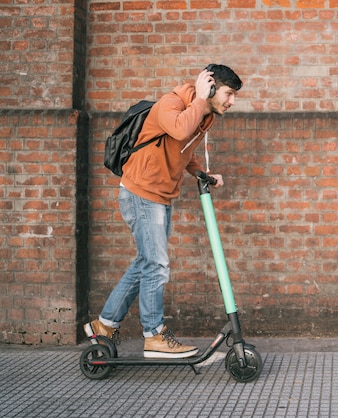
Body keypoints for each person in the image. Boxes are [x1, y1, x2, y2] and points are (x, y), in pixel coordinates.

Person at [84, 64, 243, 358]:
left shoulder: (202, 113)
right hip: (141, 193)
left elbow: (183, 149)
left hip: (159, 195)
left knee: (146, 262)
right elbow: (180, 128)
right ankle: (154, 335)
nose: (231, 102)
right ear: (209, 87)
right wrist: (199, 98)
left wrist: (201, 174)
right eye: (228, 94)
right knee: (156, 264)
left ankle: (104, 325)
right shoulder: (171, 103)